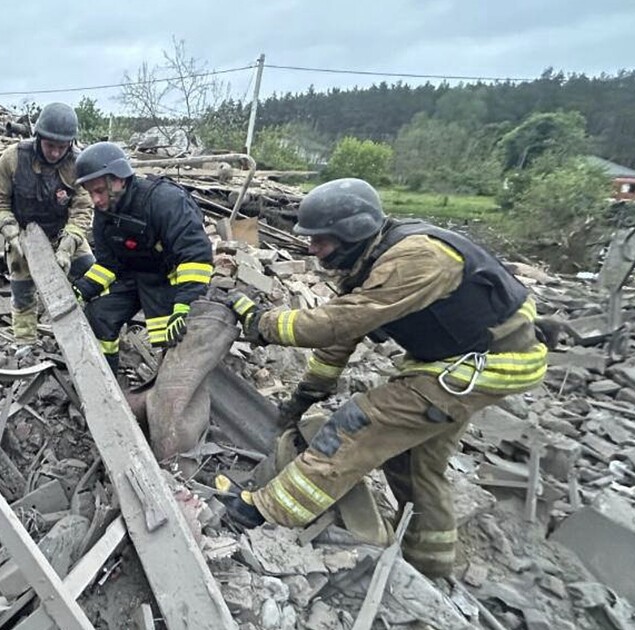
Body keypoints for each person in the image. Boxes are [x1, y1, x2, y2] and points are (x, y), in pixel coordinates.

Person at [221, 178, 547, 579]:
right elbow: (346, 331)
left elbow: (339, 321)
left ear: (352, 233)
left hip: (483, 365)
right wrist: (310, 391)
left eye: (320, 240)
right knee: (414, 463)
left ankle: (263, 513)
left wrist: (263, 323)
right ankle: (430, 564)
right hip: (457, 358)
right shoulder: (370, 259)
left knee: (358, 424)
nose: (311, 248)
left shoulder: (416, 259)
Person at [70, 142, 214, 371]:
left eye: (99, 191)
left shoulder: (165, 201)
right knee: (99, 316)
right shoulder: (104, 212)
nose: (95, 200)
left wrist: (185, 304)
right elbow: (108, 264)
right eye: (90, 193)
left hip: (169, 277)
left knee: (173, 334)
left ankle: (173, 384)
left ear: (119, 179)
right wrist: (83, 289)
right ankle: (104, 380)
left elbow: (196, 256)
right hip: (133, 276)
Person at [0, 102, 95, 344]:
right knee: (22, 293)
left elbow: (83, 208)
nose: (55, 153)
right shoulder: (12, 159)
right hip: (24, 235)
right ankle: (25, 343)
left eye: (61, 147)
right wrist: (12, 235)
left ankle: (89, 333)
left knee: (91, 275)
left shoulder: (79, 165)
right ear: (38, 138)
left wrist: (67, 248)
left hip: (63, 233)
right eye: (50, 146)